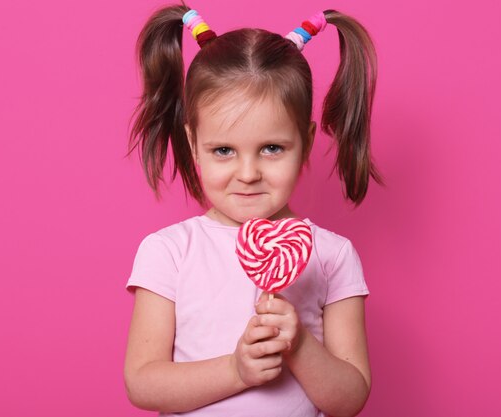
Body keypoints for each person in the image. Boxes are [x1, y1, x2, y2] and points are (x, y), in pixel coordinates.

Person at [123, 3, 383, 416]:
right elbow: (142, 382)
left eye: (272, 148)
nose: (248, 173)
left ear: (307, 141)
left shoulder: (332, 256)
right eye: (223, 150)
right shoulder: (169, 251)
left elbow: (350, 399)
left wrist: (298, 345)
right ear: (193, 144)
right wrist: (236, 370)